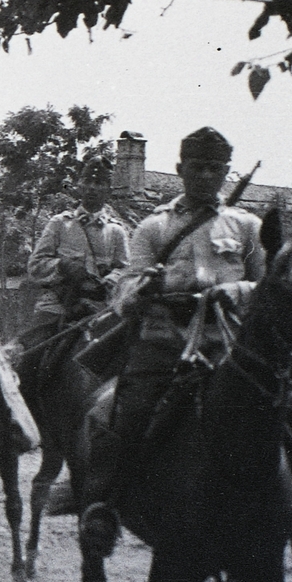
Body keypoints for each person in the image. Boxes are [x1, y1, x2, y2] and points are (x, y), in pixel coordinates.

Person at [79, 127, 265, 555]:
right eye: (196, 167)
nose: (205, 176)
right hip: (164, 347)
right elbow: (122, 291)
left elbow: (268, 284)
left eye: (215, 169)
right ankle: (102, 507)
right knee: (121, 414)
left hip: (227, 349)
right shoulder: (153, 227)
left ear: (226, 173)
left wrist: (233, 291)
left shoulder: (248, 227)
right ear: (180, 169)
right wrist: (145, 289)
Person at [20, 159, 130, 361]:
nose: (92, 188)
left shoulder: (116, 232)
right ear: (79, 185)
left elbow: (126, 271)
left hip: (99, 309)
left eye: (99, 183)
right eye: (88, 181)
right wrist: (62, 265)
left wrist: (111, 280)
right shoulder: (60, 224)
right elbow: (35, 266)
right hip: (57, 306)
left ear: (108, 189)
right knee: (31, 358)